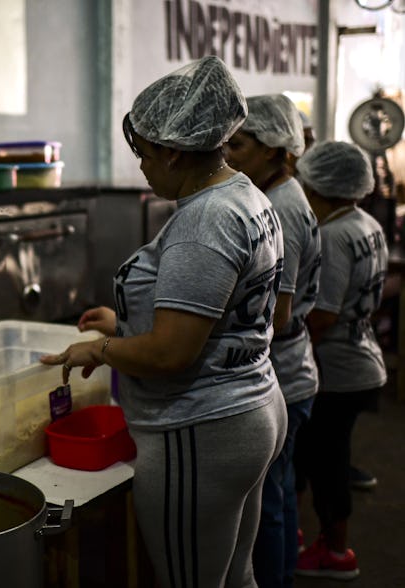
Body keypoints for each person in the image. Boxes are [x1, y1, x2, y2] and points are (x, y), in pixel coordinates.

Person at [40, 56, 287, 588]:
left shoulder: (204, 220)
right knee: (234, 574)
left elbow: (171, 353)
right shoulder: (245, 195)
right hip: (249, 405)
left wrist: (100, 351)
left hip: (199, 432)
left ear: (175, 151)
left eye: (146, 154)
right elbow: (221, 310)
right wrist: (124, 322)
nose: (143, 167)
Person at [224, 94, 322, 588]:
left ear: (271, 149)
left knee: (270, 506)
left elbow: (276, 318)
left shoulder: (279, 206)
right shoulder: (289, 194)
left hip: (283, 373)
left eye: (238, 144)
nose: (227, 154)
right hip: (295, 370)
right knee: (280, 496)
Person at [293, 141, 388, 580]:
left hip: (338, 370)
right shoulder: (366, 223)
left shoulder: (331, 236)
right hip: (364, 358)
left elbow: (324, 315)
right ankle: (325, 543)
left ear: (320, 188)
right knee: (327, 458)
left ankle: (336, 553)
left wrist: (279, 325)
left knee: (325, 466)